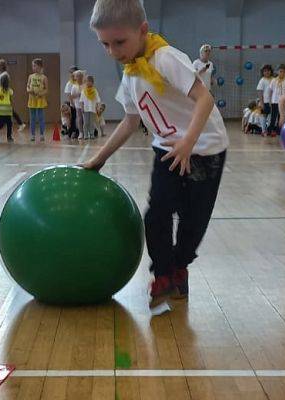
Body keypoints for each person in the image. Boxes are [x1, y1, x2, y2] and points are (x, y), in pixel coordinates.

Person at [83, 0, 228, 308]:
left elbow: (205, 99)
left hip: (205, 149)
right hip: (167, 150)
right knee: (156, 214)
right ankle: (163, 275)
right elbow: (130, 121)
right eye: (105, 44)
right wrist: (100, 157)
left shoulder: (165, 58)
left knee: (194, 220)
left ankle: (180, 267)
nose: (112, 52)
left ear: (143, 30)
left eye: (119, 42)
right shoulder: (131, 73)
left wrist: (188, 142)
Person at [0, 59, 26, 131]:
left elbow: (6, 84)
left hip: (4, 93)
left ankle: (20, 123)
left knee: (10, 110)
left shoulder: (5, 74)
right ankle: (20, 123)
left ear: (3, 66)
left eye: (0, 65)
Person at [27, 58, 49, 142]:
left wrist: (40, 93)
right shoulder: (30, 76)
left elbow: (46, 89)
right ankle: (32, 135)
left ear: (39, 66)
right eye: (32, 66)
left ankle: (42, 134)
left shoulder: (44, 77)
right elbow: (28, 86)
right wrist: (29, 90)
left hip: (40, 99)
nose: (33, 67)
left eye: (34, 66)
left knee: (41, 118)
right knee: (32, 118)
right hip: (32, 99)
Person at [267, 64, 285, 136]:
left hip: (283, 102)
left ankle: (279, 130)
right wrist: (270, 101)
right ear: (278, 72)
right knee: (273, 116)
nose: (282, 73)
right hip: (275, 101)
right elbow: (270, 91)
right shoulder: (274, 80)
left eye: (284, 72)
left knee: (281, 116)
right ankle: (270, 130)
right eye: (280, 71)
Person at [0, 74, 15, 142]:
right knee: (9, 123)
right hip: (7, 110)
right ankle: (9, 137)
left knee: (1, 124)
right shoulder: (9, 90)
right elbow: (11, 99)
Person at [80, 75, 101, 140]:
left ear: (92, 82)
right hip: (85, 109)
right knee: (86, 123)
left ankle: (91, 134)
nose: (88, 83)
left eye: (90, 81)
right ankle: (85, 135)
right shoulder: (83, 91)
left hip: (92, 109)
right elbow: (81, 101)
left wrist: (97, 107)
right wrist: (82, 108)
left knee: (92, 123)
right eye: (87, 81)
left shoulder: (95, 91)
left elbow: (98, 100)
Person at [256, 65, 273, 135]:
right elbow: (260, 92)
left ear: (271, 71)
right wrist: (261, 102)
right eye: (265, 71)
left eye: (268, 71)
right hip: (264, 101)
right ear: (262, 72)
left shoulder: (274, 79)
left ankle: (270, 130)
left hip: (272, 102)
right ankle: (263, 131)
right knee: (264, 116)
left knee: (271, 116)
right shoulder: (262, 80)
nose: (267, 72)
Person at [64, 66, 79, 137]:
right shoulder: (69, 83)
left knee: (79, 118)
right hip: (73, 104)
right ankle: (72, 131)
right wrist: (72, 103)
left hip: (79, 104)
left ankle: (79, 131)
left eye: (73, 72)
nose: (71, 74)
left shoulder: (79, 82)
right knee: (73, 118)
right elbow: (68, 94)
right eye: (70, 73)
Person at [70, 70, 85, 139]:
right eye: (77, 76)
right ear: (75, 78)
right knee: (79, 118)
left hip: (85, 104)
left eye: (80, 76)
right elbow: (72, 96)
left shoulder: (85, 85)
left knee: (86, 118)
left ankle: (87, 131)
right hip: (78, 104)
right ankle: (81, 132)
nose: (78, 78)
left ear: (82, 77)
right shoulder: (74, 86)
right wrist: (78, 95)